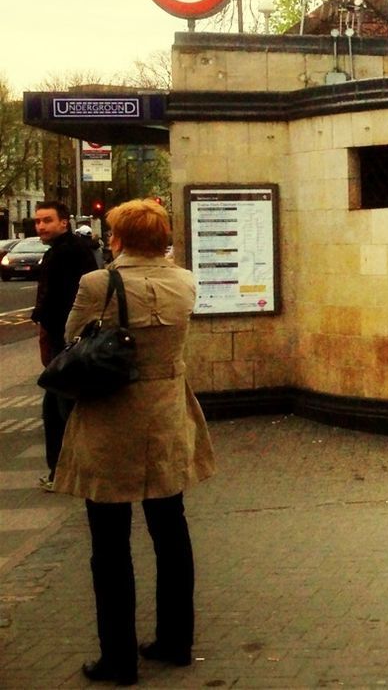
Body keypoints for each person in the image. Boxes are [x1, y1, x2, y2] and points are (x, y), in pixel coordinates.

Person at [54, 199, 216, 685]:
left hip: (111, 419)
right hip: (167, 416)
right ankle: (175, 641)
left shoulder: (97, 284)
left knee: (109, 541)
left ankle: (118, 659)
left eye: (111, 234)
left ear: (120, 238)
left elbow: (72, 338)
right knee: (171, 530)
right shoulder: (185, 281)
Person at [31, 201, 98, 491]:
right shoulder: (66, 251)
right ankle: (65, 470)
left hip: (68, 343)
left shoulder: (66, 253)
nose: (41, 226)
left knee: (63, 409)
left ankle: (69, 472)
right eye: (38, 221)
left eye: (47, 220)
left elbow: (59, 302)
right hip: (70, 342)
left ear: (64, 222)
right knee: (59, 408)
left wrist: (46, 329)